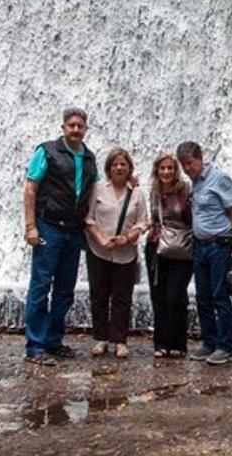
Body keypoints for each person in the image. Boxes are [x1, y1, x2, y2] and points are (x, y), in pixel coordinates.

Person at [23, 107, 97, 366]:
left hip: (74, 231)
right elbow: (31, 187)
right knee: (41, 286)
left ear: (86, 129)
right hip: (49, 227)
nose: (76, 129)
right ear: (63, 128)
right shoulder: (46, 151)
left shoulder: (89, 158)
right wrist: (31, 227)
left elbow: (98, 189)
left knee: (65, 290)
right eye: (71, 125)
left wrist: (129, 181)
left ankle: (54, 340)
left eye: (80, 126)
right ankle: (35, 346)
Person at [177, 141, 232, 366]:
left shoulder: (220, 179)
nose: (187, 168)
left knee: (219, 296)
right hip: (200, 246)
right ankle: (209, 342)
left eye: (190, 163)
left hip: (220, 246)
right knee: (203, 297)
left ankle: (225, 347)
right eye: (184, 165)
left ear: (200, 158)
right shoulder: (193, 184)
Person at [84, 147, 149, 359]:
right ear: (109, 168)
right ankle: (100, 339)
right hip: (98, 250)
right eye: (115, 164)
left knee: (122, 298)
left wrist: (128, 238)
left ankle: (120, 341)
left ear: (130, 167)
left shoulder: (138, 193)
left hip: (126, 252)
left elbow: (143, 222)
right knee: (99, 295)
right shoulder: (98, 188)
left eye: (123, 164)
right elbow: (88, 218)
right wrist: (101, 240)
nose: (119, 167)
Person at [144, 151, 194, 358]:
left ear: (176, 170)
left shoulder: (187, 189)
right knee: (159, 297)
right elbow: (153, 218)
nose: (166, 172)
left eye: (170, 168)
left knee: (176, 296)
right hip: (156, 247)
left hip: (183, 247)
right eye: (162, 168)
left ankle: (179, 344)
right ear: (157, 170)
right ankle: (161, 344)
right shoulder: (154, 191)